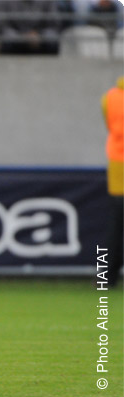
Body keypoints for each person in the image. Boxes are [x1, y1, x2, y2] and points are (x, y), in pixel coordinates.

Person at [101, 76, 123, 287]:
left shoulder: (110, 97)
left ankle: (106, 277)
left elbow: (109, 124)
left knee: (115, 225)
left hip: (117, 164)